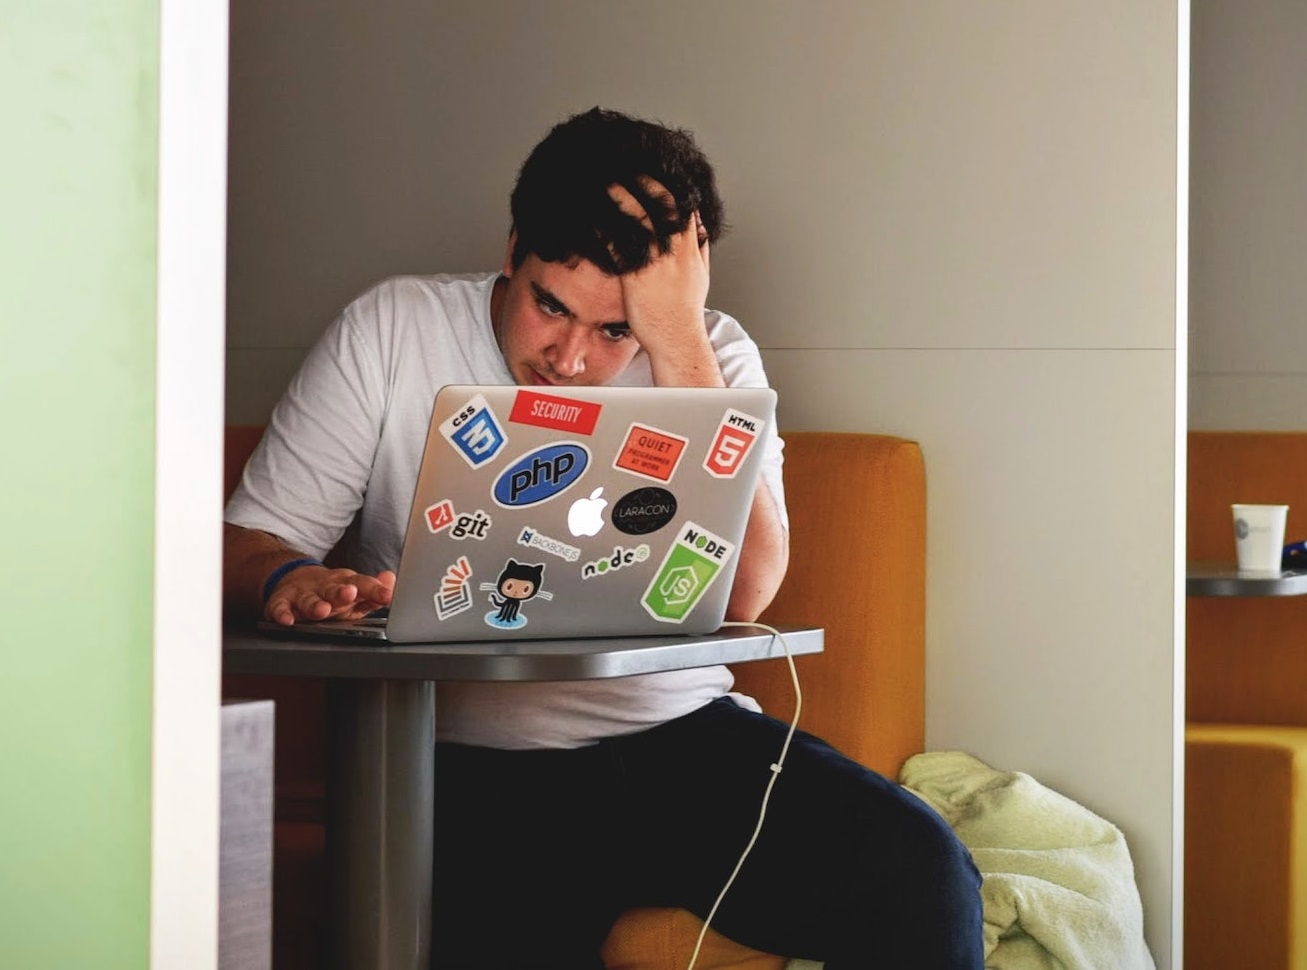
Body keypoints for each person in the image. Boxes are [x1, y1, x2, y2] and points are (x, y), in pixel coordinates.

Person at [224, 107, 983, 969]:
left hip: (680, 740)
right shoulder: (391, 329)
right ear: (512, 250)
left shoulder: (710, 353)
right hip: (466, 765)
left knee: (922, 871)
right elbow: (247, 541)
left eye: (614, 328)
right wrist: (290, 577)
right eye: (550, 307)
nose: (571, 358)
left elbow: (747, 593)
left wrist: (675, 342)